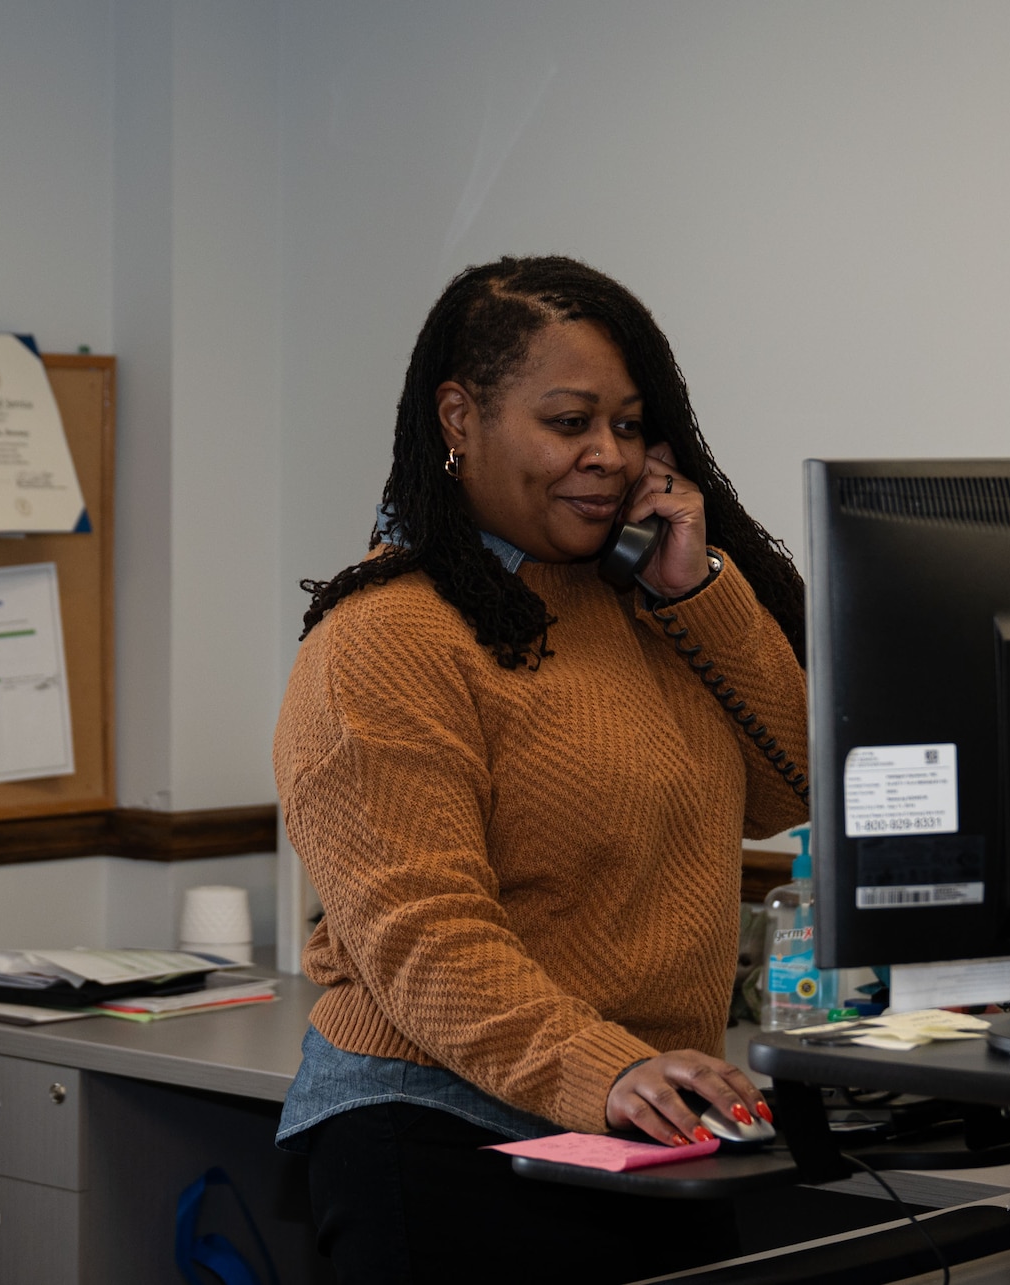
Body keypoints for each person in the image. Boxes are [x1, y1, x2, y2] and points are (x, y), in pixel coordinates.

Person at [273, 255, 811, 1283]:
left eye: (626, 424)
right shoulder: (384, 634)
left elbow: (787, 787)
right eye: (568, 422)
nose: (606, 456)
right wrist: (605, 1069)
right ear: (458, 418)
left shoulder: (647, 604)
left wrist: (697, 589)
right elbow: (426, 936)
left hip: (644, 1117)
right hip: (442, 1128)